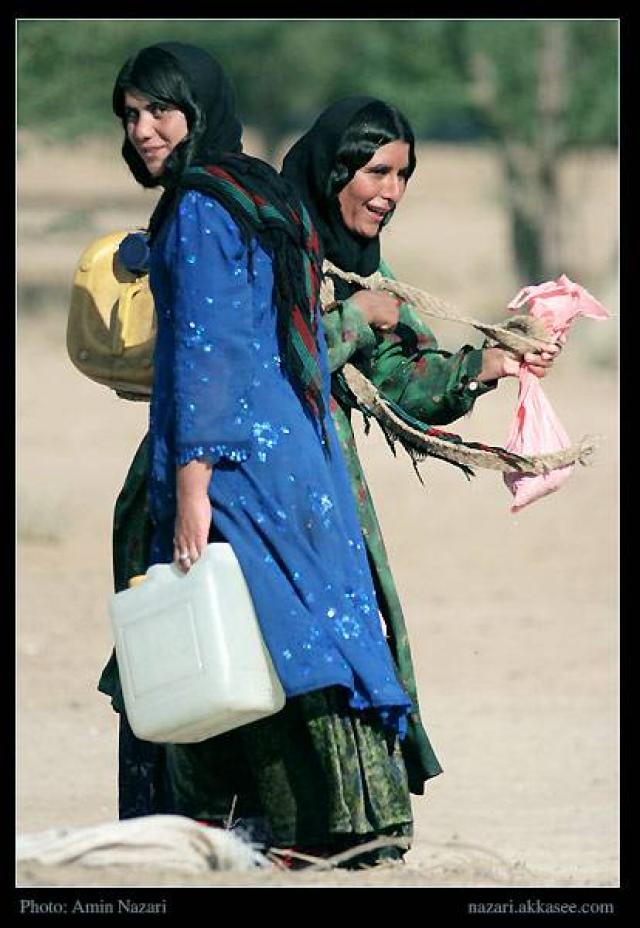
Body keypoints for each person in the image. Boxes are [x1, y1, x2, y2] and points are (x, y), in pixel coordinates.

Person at [98, 43, 419, 867]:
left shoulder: (201, 205)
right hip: (295, 452)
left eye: (161, 111)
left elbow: (212, 348)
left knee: (218, 632)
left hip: (232, 462)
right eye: (131, 114)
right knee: (304, 632)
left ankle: (241, 835)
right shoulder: (257, 189)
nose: (144, 130)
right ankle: (352, 826)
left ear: (198, 110)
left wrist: (195, 484)